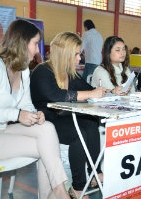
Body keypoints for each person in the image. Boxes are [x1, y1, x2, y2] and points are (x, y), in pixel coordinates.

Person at [30, 31, 106, 199]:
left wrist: (108, 92)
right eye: (76, 54)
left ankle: (95, 172)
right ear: (65, 53)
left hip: (63, 118)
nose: (79, 58)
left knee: (91, 123)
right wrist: (91, 94)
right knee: (79, 133)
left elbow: (87, 88)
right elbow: (56, 95)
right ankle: (78, 187)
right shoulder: (42, 71)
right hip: (45, 122)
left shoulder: (69, 72)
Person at [0, 19, 70, 199]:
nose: (38, 50)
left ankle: (57, 192)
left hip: (5, 129)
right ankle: (58, 194)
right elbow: (16, 112)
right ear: (22, 43)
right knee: (47, 148)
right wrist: (17, 114)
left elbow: (25, 104)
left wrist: (34, 114)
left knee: (46, 128)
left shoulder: (23, 70)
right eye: (35, 44)